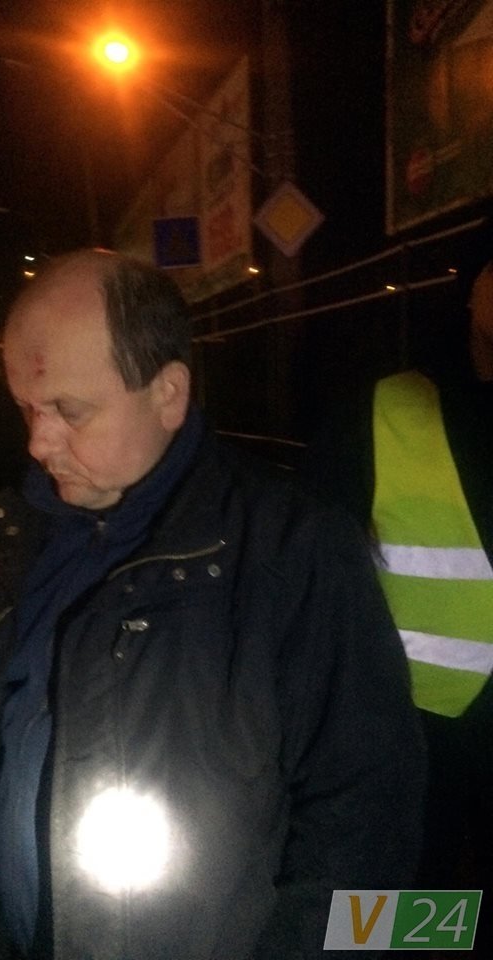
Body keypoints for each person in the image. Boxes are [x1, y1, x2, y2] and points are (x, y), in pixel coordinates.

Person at [0, 249, 425, 960]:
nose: (39, 442)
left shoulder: (292, 548)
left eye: (70, 411)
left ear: (168, 393)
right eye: (28, 409)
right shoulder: (26, 540)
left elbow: (365, 818)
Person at [303, 222, 493, 957]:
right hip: (410, 741)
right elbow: (314, 580)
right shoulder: (383, 410)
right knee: (385, 920)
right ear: (471, 288)